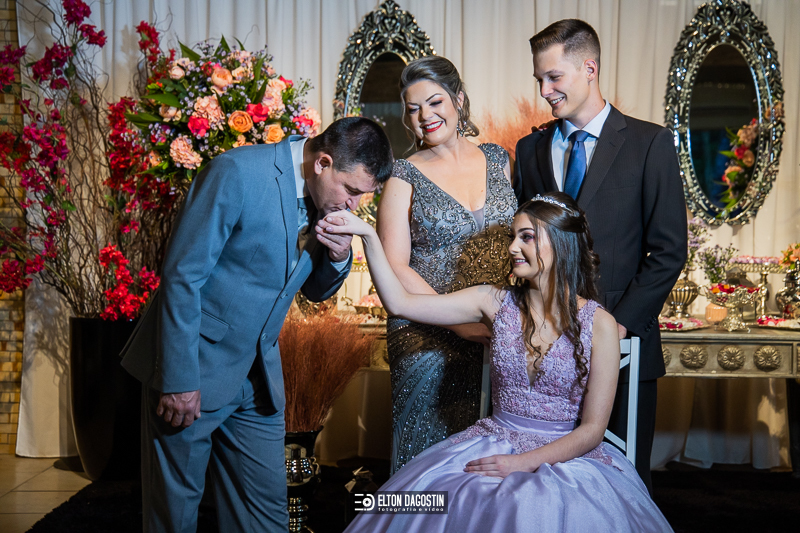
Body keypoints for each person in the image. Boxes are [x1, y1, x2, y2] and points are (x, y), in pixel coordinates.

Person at [320, 193, 672, 532]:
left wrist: (520, 464)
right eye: (513, 237)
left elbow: (593, 430)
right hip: (491, 441)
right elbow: (400, 303)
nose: (513, 247)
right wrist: (368, 236)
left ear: (561, 243)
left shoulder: (601, 324)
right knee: (430, 502)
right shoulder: (493, 300)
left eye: (526, 237)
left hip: (567, 461)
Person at [120, 117, 393, 532]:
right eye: (351, 191)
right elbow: (182, 276)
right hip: (194, 368)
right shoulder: (236, 172)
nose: (354, 205)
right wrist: (178, 379)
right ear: (322, 163)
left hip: (258, 381)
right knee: (174, 518)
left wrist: (339, 257)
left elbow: (314, 292)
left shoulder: (327, 201)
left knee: (266, 519)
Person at [513, 19, 687, 493]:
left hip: (625, 348)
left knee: (622, 486)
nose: (545, 91)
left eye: (554, 77)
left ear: (589, 68)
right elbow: (527, 246)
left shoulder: (649, 143)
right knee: (542, 485)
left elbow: (669, 250)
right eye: (539, 79)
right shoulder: (529, 149)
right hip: (543, 352)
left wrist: (617, 327)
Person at [379, 56, 517, 473]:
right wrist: (458, 323)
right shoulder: (402, 175)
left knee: (490, 459)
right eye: (413, 109)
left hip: (496, 327)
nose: (425, 116)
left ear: (458, 99)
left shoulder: (498, 159)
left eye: (435, 102)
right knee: (429, 462)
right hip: (427, 330)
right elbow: (396, 266)